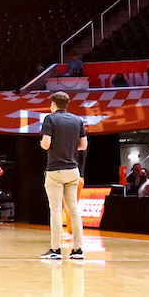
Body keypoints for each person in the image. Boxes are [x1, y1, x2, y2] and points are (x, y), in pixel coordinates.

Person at [39, 90, 87, 262]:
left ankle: (55, 249)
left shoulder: (50, 119)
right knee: (73, 210)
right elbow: (83, 145)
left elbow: (46, 144)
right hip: (73, 170)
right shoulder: (77, 120)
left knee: (56, 211)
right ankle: (78, 249)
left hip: (55, 170)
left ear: (53, 104)